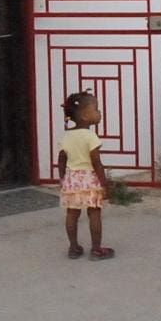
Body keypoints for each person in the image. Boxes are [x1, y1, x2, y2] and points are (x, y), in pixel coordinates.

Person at [56, 91, 113, 260]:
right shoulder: (90, 136)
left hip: (72, 180)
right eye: (96, 109)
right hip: (89, 180)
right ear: (85, 115)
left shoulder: (66, 136)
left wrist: (62, 178)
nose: (99, 112)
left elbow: (61, 160)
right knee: (94, 213)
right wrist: (104, 183)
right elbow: (96, 162)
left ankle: (73, 248)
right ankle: (96, 249)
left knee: (72, 214)